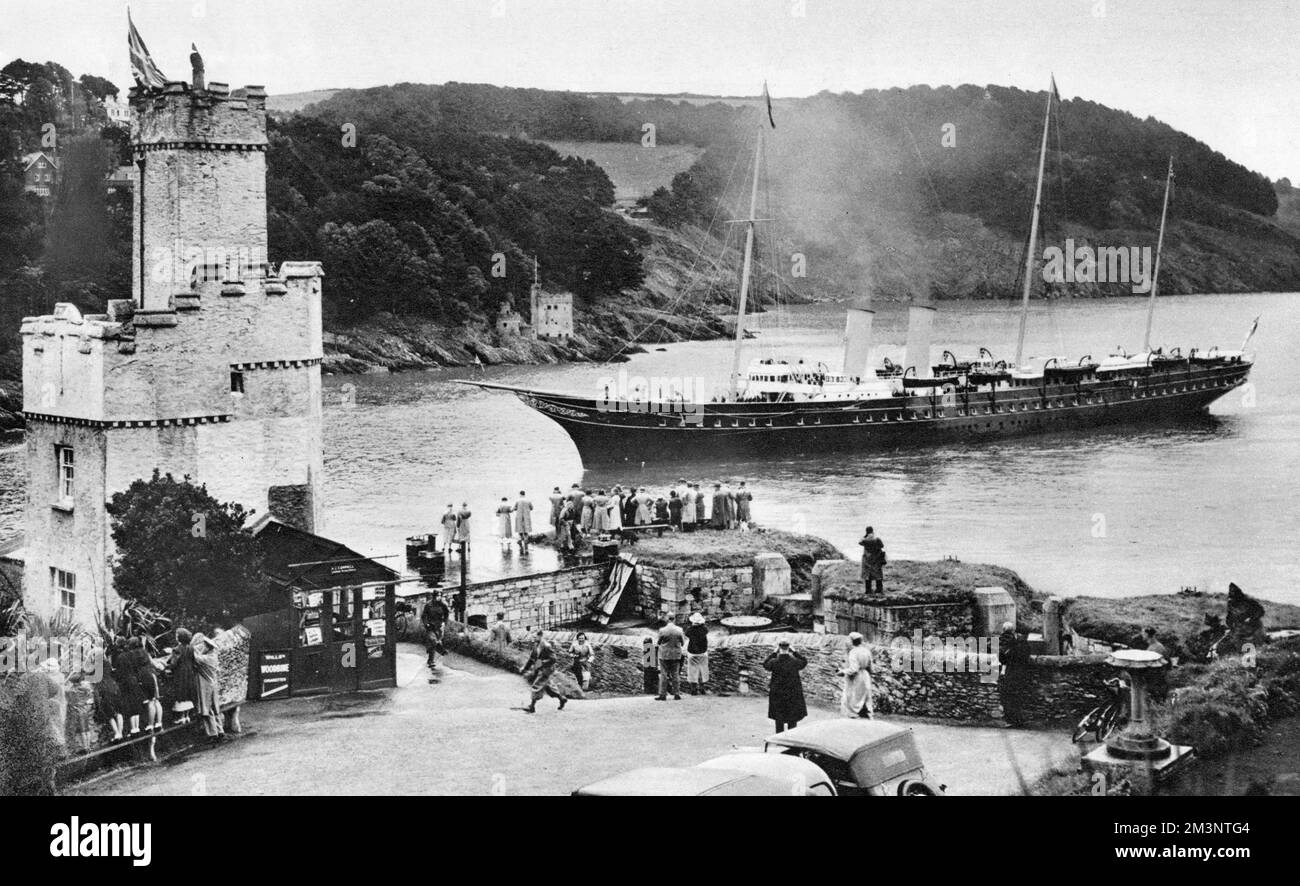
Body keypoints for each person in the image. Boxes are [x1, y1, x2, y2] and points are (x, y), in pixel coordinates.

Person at [763, 640, 809, 732]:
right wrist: (795, 652)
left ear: (779, 648)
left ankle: (779, 738)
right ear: (789, 648)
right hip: (792, 694)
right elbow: (804, 661)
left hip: (778, 694)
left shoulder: (774, 662)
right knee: (792, 718)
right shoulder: (795, 662)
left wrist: (773, 653)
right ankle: (790, 739)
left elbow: (765, 664)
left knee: (779, 718)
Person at [190, 632, 225, 741]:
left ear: (207, 647)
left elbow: (195, 657)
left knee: (207, 709)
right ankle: (220, 730)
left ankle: (212, 733)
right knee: (215, 708)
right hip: (213, 685)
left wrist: (192, 647)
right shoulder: (213, 656)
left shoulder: (206, 659)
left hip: (205, 686)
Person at [521, 633, 568, 713]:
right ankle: (561, 698)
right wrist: (525, 668)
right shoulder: (536, 645)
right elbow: (532, 658)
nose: (533, 638)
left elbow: (554, 659)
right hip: (541, 668)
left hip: (546, 669)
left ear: (540, 636)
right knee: (549, 687)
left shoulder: (547, 646)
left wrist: (542, 662)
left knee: (536, 685)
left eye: (535, 636)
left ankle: (532, 707)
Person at [997, 622, 1031, 727]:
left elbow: (1002, 658)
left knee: (1008, 696)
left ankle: (1010, 720)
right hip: (1021, 673)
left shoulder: (1012, 643)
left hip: (1010, 672)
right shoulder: (1025, 645)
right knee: (1017, 697)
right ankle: (1018, 720)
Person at [165, 628, 197, 725]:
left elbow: (174, 664)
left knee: (181, 694)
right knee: (188, 694)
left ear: (179, 637)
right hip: (189, 673)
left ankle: (181, 717)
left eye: (177, 635)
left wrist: (167, 666)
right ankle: (187, 716)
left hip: (180, 675)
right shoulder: (191, 647)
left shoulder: (177, 649)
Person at [112, 640, 145, 736]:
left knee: (130, 705)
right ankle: (137, 727)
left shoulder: (120, 657)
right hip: (134, 680)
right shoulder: (132, 654)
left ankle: (133, 728)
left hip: (126, 682)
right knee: (136, 703)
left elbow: (119, 672)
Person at [839, 632, 873, 718]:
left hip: (856, 678)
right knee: (864, 697)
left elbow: (854, 669)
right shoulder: (866, 651)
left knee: (853, 698)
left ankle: (853, 717)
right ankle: (866, 715)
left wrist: (843, 672)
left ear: (852, 641)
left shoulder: (853, 652)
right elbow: (870, 666)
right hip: (865, 675)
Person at [94, 655, 126, 741]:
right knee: (119, 711)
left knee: (109, 714)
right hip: (113, 685)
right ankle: (120, 732)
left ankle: (117, 733)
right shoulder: (107, 663)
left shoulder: (96, 666)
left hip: (104, 688)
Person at [655, 613, 685, 700]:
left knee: (663, 674)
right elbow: (682, 643)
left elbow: (658, 642)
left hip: (664, 654)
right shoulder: (679, 630)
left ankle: (662, 694)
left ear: (667, 619)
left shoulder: (662, 630)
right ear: (674, 619)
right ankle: (676, 693)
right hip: (675, 654)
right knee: (675, 674)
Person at [684, 611, 710, 695]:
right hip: (702, 652)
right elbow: (706, 630)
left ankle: (693, 689)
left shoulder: (690, 630)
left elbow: (687, 634)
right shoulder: (704, 629)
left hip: (692, 652)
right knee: (703, 669)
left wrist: (692, 626)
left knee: (692, 670)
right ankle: (702, 688)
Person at [421, 594, 450, 670]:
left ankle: (431, 660)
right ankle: (440, 650)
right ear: (434, 597)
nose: (438, 597)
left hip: (439, 627)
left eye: (440, 596)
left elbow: (446, 614)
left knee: (434, 643)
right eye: (437, 596)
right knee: (433, 640)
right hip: (430, 626)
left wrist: (444, 622)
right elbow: (423, 616)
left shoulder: (443, 605)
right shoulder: (428, 605)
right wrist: (426, 623)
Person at [859, 526, 886, 594]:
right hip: (876, 558)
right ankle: (879, 589)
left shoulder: (865, 540)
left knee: (868, 575)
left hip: (867, 559)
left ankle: (868, 590)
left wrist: (865, 536)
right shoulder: (877, 539)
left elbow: (860, 542)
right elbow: (882, 546)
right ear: (872, 531)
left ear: (866, 532)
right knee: (878, 574)